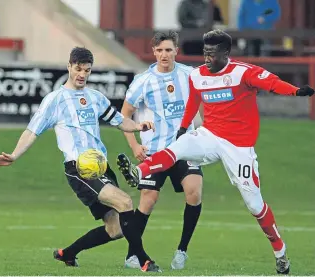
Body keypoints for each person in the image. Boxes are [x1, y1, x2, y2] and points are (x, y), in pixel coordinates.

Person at [116, 29, 314, 274]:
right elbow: (194, 101)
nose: (207, 58)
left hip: (239, 146)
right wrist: (184, 127)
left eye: (212, 54)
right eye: (205, 53)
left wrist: (295, 91)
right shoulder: (198, 75)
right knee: (177, 147)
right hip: (210, 135)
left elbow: (271, 82)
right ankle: (139, 171)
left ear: (226, 53)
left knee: (254, 204)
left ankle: (280, 251)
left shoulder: (243, 72)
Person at [0, 47, 161, 272]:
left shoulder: (95, 97)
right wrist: (14, 155)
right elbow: (32, 131)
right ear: (69, 66)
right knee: (126, 202)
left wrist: (138, 126)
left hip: (101, 166)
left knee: (115, 229)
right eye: (78, 69)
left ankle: (68, 253)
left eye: (87, 70)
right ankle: (143, 260)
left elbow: (119, 121)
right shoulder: (55, 100)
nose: (82, 74)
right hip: (79, 168)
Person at [120, 31, 203, 270]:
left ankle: (182, 251)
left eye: (169, 49)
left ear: (176, 50)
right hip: (155, 151)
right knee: (148, 199)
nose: (164, 54)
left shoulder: (190, 75)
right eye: (159, 50)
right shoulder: (143, 81)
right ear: (154, 52)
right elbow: (123, 116)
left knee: (194, 191)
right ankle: (132, 255)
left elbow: (206, 103)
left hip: (184, 148)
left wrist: (206, 134)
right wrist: (135, 145)